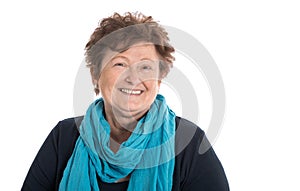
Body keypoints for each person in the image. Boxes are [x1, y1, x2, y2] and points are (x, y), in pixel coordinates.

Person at [22, 12, 229, 191]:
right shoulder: (64, 136)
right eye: (120, 64)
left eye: (145, 67)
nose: (133, 77)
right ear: (95, 75)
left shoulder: (188, 141)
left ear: (159, 78)